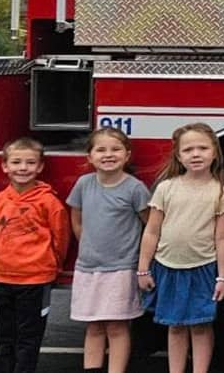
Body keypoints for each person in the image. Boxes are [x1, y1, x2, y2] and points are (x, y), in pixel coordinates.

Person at [139, 123, 224, 373]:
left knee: (201, 325)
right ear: (178, 156)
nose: (196, 154)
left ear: (214, 152)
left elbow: (221, 238)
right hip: (167, 267)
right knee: (176, 325)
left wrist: (222, 277)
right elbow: (151, 231)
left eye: (202, 148)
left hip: (203, 268)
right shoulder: (166, 188)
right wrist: (143, 269)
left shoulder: (222, 192)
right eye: (188, 149)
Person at [67, 128, 151, 373]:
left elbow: (150, 224)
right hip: (88, 268)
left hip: (121, 268)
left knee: (116, 326)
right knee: (93, 325)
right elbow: (77, 219)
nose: (108, 154)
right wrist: (88, 247)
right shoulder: (84, 184)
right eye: (100, 150)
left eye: (115, 149)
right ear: (89, 156)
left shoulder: (135, 189)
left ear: (127, 155)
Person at [0, 137, 68, 373]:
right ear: (5, 166)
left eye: (30, 163)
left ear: (40, 167)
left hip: (36, 279)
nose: (23, 168)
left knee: (29, 338)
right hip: (4, 278)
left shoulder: (49, 202)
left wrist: (52, 265)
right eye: (16, 162)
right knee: (5, 336)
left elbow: (60, 238)